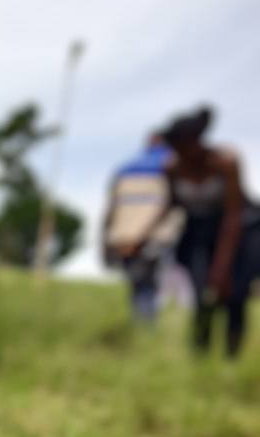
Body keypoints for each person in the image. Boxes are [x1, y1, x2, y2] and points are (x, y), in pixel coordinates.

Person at [161, 108, 255, 357]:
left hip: (236, 232)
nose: (179, 153)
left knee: (234, 295)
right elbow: (170, 206)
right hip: (197, 234)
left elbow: (232, 216)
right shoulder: (171, 168)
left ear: (195, 142)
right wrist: (141, 235)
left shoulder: (225, 162)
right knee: (202, 295)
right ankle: (200, 353)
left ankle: (231, 357)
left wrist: (221, 268)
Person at [100, 134, 182, 324]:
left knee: (138, 284)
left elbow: (112, 209)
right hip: (157, 238)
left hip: (124, 238)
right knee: (151, 285)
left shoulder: (123, 170)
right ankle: (146, 328)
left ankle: (141, 326)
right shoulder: (171, 168)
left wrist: (108, 238)